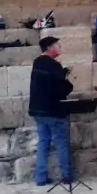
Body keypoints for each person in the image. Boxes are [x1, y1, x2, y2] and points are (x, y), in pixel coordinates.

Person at [28, 36, 74, 185]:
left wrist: (63, 72)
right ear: (50, 48)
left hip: (38, 110)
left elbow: (47, 82)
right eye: (57, 45)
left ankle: (40, 178)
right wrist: (69, 83)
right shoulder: (54, 65)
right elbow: (60, 89)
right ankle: (66, 175)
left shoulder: (37, 62)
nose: (60, 47)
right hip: (53, 110)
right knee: (61, 143)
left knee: (43, 143)